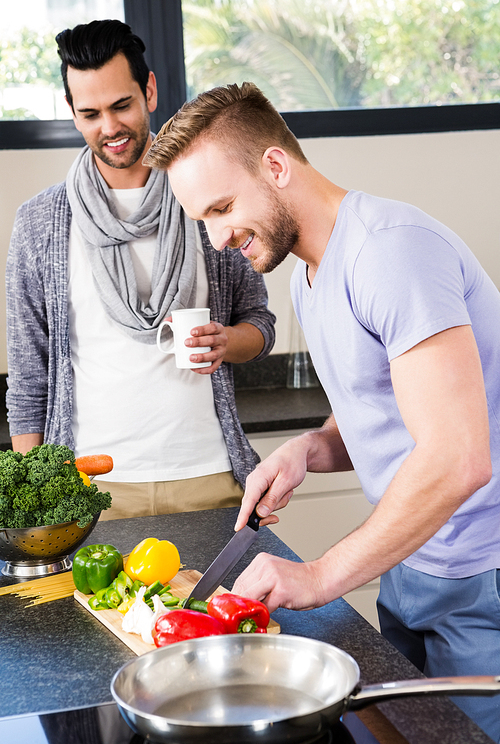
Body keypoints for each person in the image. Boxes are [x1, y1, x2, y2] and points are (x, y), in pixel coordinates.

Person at [143, 82, 500, 741]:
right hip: (412, 560)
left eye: (222, 207)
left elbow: (457, 457)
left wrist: (317, 576)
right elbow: (390, 419)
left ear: (275, 166)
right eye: (204, 221)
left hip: (485, 577)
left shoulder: (389, 251)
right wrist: (308, 449)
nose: (218, 237)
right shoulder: (310, 278)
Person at [5, 27, 275, 520]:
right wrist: (40, 498)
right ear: (72, 112)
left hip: (208, 476)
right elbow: (28, 376)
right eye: (90, 114)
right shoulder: (41, 222)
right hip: (91, 488)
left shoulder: (205, 199)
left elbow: (260, 325)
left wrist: (226, 342)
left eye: (122, 105)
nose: (110, 127)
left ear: (149, 91)